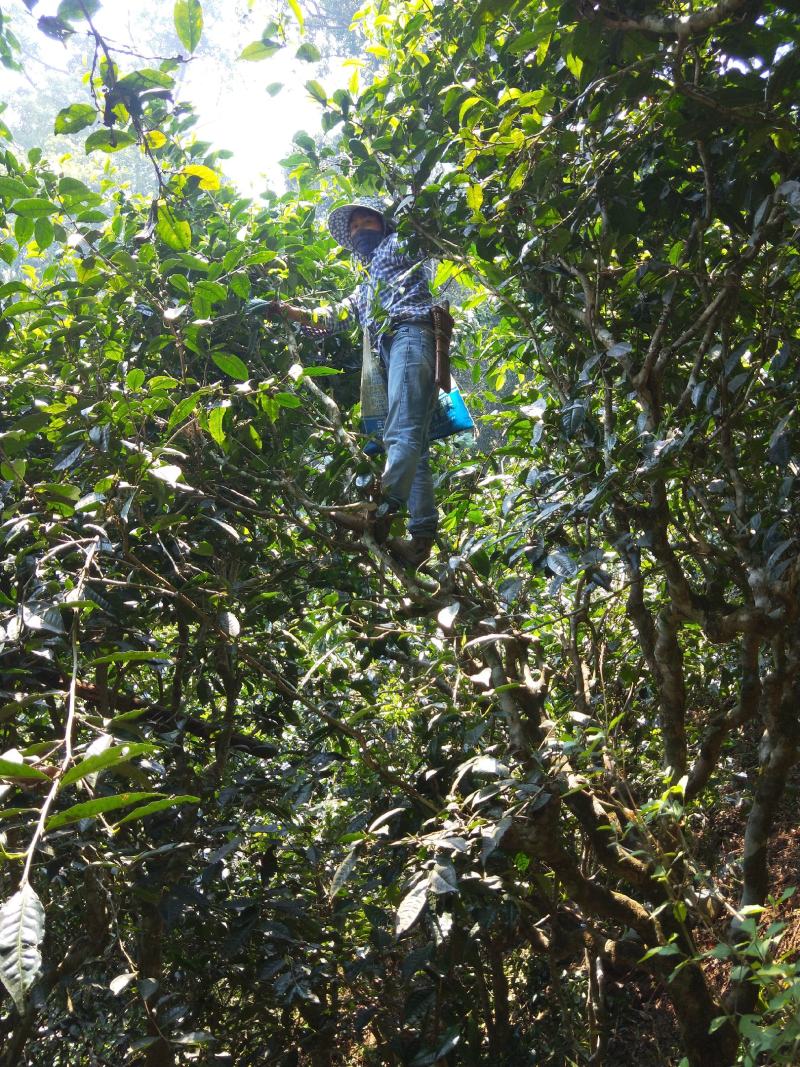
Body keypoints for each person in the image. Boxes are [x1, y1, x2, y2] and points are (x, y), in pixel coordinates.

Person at [271, 196, 439, 568]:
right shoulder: (364, 282)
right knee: (417, 447)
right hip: (395, 347)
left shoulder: (398, 245)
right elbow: (335, 316)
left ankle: (379, 511)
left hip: (411, 334)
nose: (360, 230)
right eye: (354, 228)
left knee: (403, 431)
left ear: (383, 225)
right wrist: (290, 312)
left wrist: (412, 206)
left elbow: (425, 234)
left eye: (367, 222)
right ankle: (422, 540)